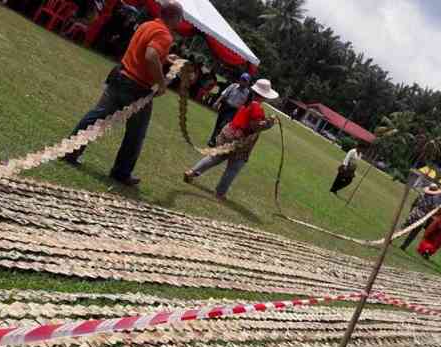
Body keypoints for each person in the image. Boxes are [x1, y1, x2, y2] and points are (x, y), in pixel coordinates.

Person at [63, 0, 184, 186]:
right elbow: (151, 55)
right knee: (136, 133)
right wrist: (161, 84)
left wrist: (165, 58)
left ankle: (70, 151)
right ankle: (121, 172)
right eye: (180, 18)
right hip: (137, 88)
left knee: (96, 116)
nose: (180, 22)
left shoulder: (147, 25)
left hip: (120, 75)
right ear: (174, 17)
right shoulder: (165, 35)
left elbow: (144, 50)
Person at [183, 79, 279, 200]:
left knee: (214, 157)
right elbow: (255, 126)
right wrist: (270, 122)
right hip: (240, 141)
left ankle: (192, 172)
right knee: (234, 167)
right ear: (264, 96)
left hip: (228, 133)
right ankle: (220, 192)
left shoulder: (247, 102)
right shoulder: (257, 108)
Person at [399, 183, 441, 251]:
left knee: (404, 226)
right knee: (414, 233)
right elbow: (433, 210)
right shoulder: (434, 199)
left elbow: (414, 203)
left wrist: (411, 211)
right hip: (423, 216)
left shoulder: (422, 194)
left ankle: (392, 238)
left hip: (415, 212)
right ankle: (404, 246)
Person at [208, 73, 252, 147]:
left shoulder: (247, 93)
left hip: (234, 111)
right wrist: (217, 102)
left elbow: (245, 105)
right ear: (240, 79)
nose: (243, 82)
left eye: (245, 81)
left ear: (248, 83)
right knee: (218, 124)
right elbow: (224, 94)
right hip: (225, 106)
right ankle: (212, 140)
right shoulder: (233, 86)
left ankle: (216, 140)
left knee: (223, 124)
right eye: (242, 80)